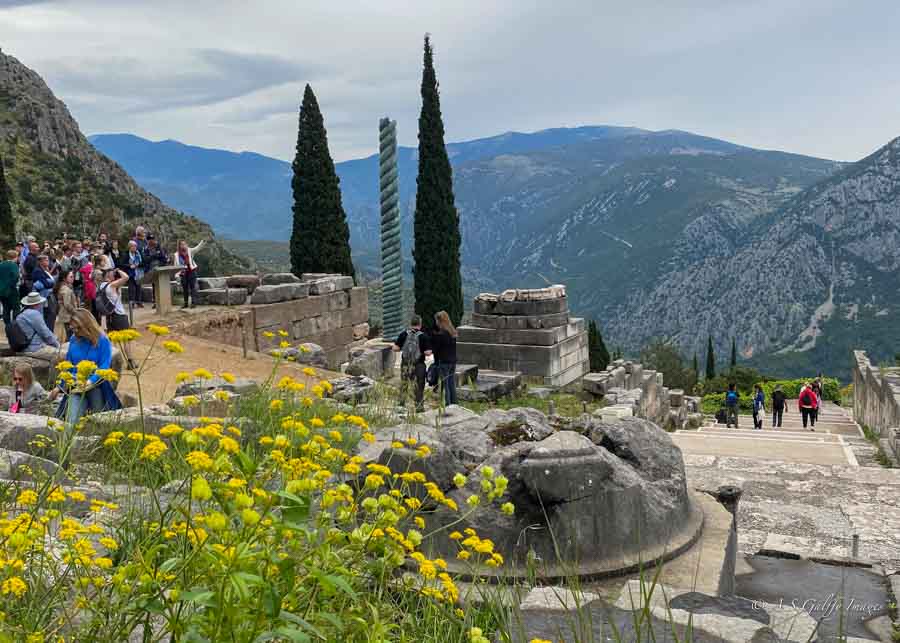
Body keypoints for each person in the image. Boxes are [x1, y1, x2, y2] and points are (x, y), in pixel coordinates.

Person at [48, 308, 121, 424]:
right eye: (72, 329)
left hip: (96, 386)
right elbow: (69, 366)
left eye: (78, 328)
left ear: (87, 325)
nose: (75, 331)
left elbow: (104, 366)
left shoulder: (103, 341)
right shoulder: (73, 340)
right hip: (76, 387)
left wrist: (90, 382)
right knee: (71, 421)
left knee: (99, 422)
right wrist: (59, 387)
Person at [392, 314, 432, 413]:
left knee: (404, 384)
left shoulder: (403, 334)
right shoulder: (423, 336)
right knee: (419, 386)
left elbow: (395, 348)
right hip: (419, 365)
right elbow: (427, 353)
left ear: (411, 324)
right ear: (420, 324)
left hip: (406, 364)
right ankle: (419, 407)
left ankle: (401, 405)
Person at [430, 310, 458, 406]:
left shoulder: (441, 334)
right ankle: (454, 404)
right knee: (451, 384)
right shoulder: (453, 333)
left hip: (444, 362)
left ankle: (447, 405)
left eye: (436, 321)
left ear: (440, 321)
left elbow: (436, 350)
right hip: (453, 361)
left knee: (445, 385)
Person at [175, 239, 206, 308]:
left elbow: (197, 248)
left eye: (184, 244)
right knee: (185, 288)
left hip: (191, 271)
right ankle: (185, 303)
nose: (183, 246)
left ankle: (193, 303)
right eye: (181, 244)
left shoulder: (190, 251)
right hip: (183, 273)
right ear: (179, 246)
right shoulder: (176, 255)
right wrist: (177, 275)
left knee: (193, 287)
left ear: (186, 245)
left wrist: (202, 242)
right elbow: (176, 266)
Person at [142, 235, 168, 307]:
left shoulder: (158, 246)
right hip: (151, 269)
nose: (151, 241)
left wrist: (153, 256)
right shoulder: (146, 248)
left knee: (162, 285)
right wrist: (155, 255)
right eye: (150, 239)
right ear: (147, 241)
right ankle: (155, 302)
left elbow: (163, 257)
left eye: (153, 239)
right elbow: (146, 259)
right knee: (154, 286)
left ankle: (164, 301)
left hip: (160, 268)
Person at [54, 269, 78, 341]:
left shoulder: (63, 287)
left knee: (69, 334)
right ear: (64, 278)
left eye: (73, 276)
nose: (73, 278)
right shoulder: (66, 289)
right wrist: (75, 311)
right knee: (70, 335)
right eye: (71, 277)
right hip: (67, 315)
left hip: (64, 314)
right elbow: (67, 304)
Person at [0, 249, 20, 325]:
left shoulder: (1, 264)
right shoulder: (13, 265)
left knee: (6, 308)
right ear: (15, 257)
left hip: (1, 290)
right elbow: (16, 276)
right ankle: (15, 325)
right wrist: (12, 285)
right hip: (12, 290)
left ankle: (7, 325)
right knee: (16, 308)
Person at [125, 240, 144, 307]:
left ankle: (139, 302)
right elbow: (123, 264)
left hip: (138, 273)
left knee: (139, 288)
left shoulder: (138, 253)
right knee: (131, 289)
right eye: (133, 246)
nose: (135, 247)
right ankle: (131, 303)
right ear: (130, 247)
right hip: (131, 274)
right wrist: (130, 266)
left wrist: (137, 265)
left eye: (135, 246)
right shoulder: (126, 254)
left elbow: (143, 262)